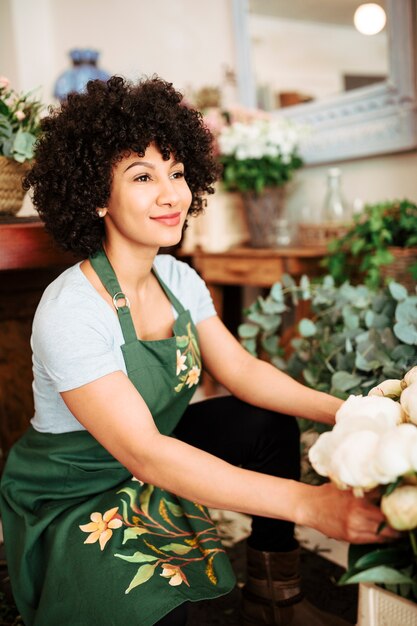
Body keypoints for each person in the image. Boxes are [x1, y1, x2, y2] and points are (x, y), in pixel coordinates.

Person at [0, 76, 398, 626]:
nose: (172, 195)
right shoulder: (72, 308)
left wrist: (353, 410)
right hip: (78, 489)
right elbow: (144, 454)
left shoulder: (176, 278)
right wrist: (309, 504)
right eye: (142, 176)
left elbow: (240, 370)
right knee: (163, 610)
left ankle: (273, 597)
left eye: (178, 172)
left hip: (149, 451)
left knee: (267, 420)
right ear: (95, 195)